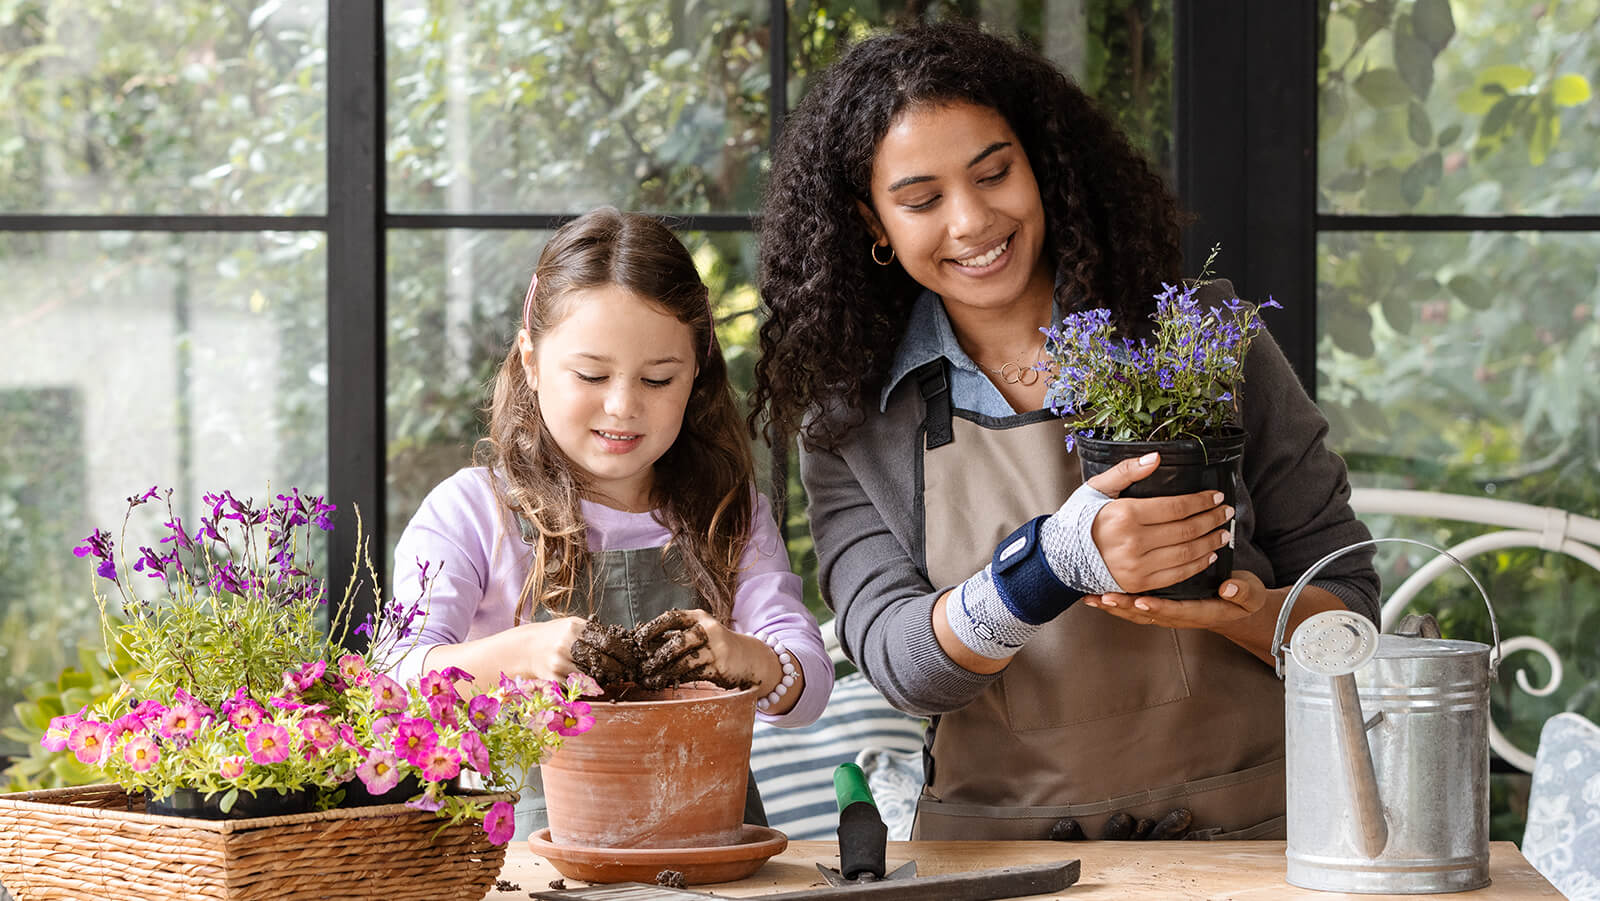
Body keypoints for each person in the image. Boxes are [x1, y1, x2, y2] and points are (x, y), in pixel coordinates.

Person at [751, 21, 1377, 841]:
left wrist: (1239, 611)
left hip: (1258, 835)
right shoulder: (854, 418)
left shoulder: (1202, 338)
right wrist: (1049, 566)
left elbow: (1353, 613)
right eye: (921, 199)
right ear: (873, 220)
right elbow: (903, 665)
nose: (972, 221)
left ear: (1040, 165)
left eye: (994, 173)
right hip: (1003, 859)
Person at [388, 207, 831, 840]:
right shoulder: (470, 512)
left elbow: (806, 687)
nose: (623, 406)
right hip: (528, 864)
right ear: (532, 361)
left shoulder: (729, 511)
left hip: (706, 849)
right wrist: (516, 655)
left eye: (658, 378)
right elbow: (393, 676)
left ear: (696, 374)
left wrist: (746, 659)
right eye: (591, 375)